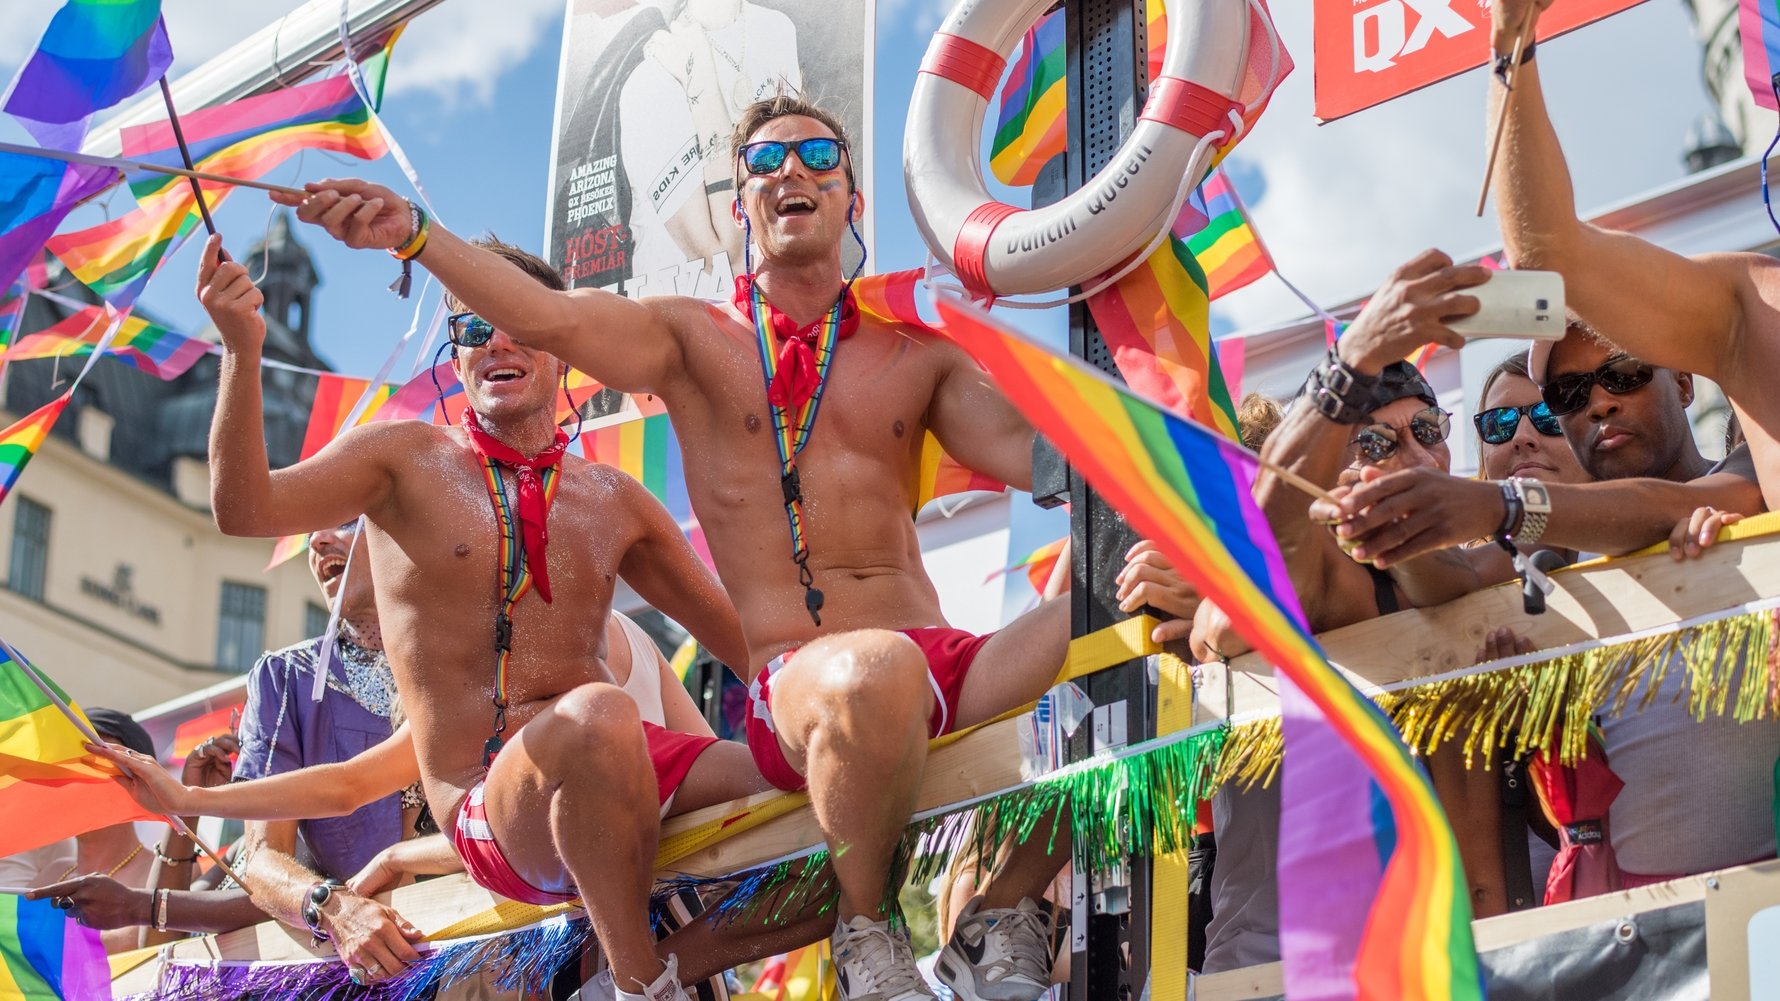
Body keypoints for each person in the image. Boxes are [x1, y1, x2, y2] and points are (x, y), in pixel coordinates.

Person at [274, 94, 1090, 1001]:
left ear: (854, 198)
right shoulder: (693, 343)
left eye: (818, 155)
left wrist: (1141, 349)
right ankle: (867, 933)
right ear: (740, 204)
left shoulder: (917, 352)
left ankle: (999, 914)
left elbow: (1047, 456)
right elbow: (552, 318)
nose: (792, 172)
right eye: (766, 162)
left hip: (943, 664)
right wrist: (417, 236)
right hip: (811, 685)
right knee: (870, 672)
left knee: (1123, 602)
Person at [177, 230, 774, 1001]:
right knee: (597, 711)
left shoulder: (613, 499)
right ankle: (638, 984)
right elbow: (242, 506)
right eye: (470, 328)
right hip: (495, 799)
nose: (495, 342)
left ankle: (738, 959)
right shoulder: (402, 459)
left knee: (826, 763)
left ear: (563, 345)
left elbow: (755, 648)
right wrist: (241, 350)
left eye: (515, 322)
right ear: (454, 357)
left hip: (619, 765)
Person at [1486, 0, 1780, 507]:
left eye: (1625, 373)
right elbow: (1547, 259)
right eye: (1568, 394)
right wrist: (1511, 45)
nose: (1600, 404)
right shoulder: (1753, 303)